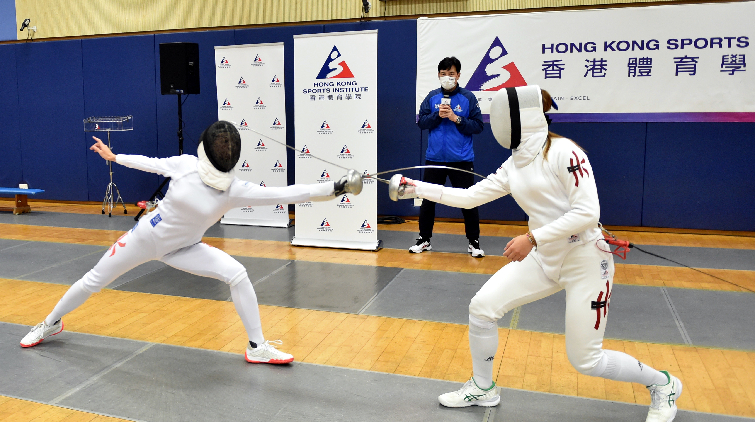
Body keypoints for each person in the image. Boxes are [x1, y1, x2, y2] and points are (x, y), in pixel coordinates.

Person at [394, 86, 682, 422]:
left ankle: (664, 384)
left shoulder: (565, 153)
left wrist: (533, 237)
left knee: (585, 360)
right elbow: (470, 197)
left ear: (520, 118)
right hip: (545, 259)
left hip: (585, 262)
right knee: (483, 308)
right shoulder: (515, 162)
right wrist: (416, 187)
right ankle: (483, 388)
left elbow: (588, 213)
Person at [20, 121, 362, 365]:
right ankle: (50, 322)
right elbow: (151, 164)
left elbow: (287, 192)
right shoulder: (185, 166)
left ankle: (257, 346)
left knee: (237, 273)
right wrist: (114, 157)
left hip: (185, 248)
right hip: (145, 237)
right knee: (92, 280)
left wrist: (336, 187)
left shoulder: (233, 188)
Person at [414, 56, 485, 257]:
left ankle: (474, 242)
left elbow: (478, 126)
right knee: (428, 200)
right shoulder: (432, 97)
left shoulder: (468, 98)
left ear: (458, 75)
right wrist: (438, 115)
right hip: (435, 158)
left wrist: (456, 118)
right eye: (443, 74)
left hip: (461, 159)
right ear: (438, 75)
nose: (447, 78)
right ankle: (424, 239)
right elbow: (422, 123)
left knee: (468, 201)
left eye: (451, 74)